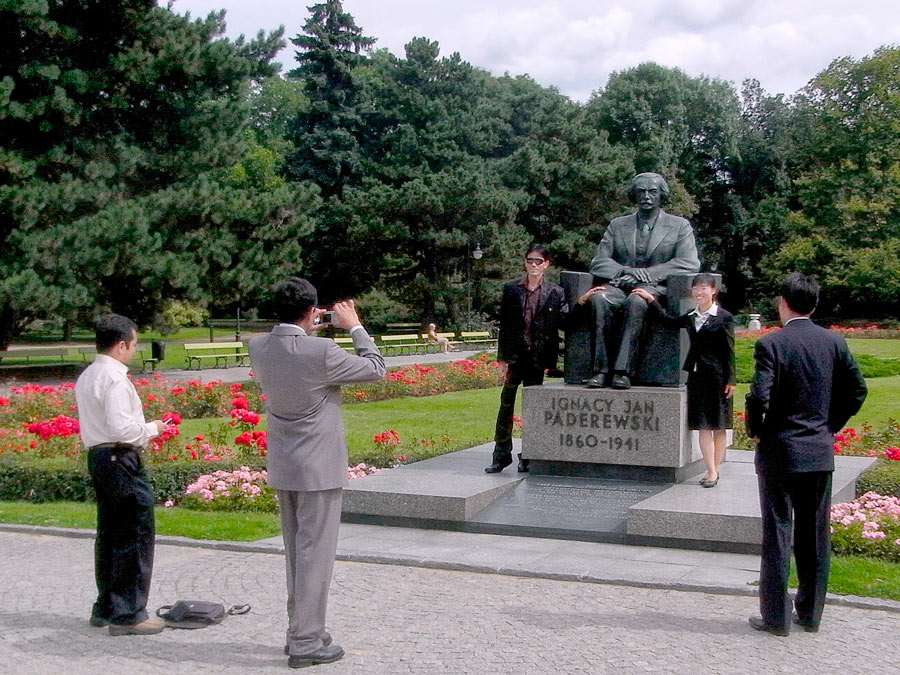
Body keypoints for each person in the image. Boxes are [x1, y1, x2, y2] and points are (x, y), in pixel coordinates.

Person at [248, 277, 385, 668]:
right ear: (312, 312)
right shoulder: (321, 350)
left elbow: (292, 349)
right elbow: (375, 369)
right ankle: (307, 641)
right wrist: (355, 326)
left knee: (296, 554)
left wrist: (309, 328)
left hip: (285, 464)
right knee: (316, 558)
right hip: (319, 468)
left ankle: (299, 630)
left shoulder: (258, 346)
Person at [745, 273, 867, 636]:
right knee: (815, 534)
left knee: (778, 531)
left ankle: (776, 616)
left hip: (780, 450)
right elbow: (857, 389)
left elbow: (758, 396)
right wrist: (830, 424)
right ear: (813, 305)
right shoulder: (833, 341)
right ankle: (811, 613)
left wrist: (756, 429)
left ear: (783, 302)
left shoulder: (772, 344)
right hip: (817, 449)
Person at [74, 314, 168, 636]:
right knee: (135, 532)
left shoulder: (88, 376)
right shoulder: (114, 378)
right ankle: (128, 613)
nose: (134, 349)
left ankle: (106, 605)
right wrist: (153, 428)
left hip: (99, 457)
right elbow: (122, 429)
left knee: (111, 533)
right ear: (122, 344)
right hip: (120, 456)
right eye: (134, 343)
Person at [577, 172, 700, 389]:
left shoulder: (679, 225)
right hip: (620, 285)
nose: (646, 196)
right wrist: (626, 271)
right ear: (634, 194)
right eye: (641, 191)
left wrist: (651, 274)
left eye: (652, 192)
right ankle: (601, 370)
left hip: (656, 289)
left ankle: (623, 371)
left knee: (637, 301)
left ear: (661, 195)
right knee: (599, 299)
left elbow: (689, 263)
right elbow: (599, 262)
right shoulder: (617, 225)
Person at [633, 274, 736, 487]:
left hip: (718, 378)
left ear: (713, 291)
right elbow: (668, 322)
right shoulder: (691, 315)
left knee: (719, 426)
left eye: (704, 288)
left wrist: (731, 380)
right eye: (696, 288)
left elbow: (729, 350)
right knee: (703, 426)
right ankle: (712, 471)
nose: (699, 292)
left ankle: (714, 471)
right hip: (697, 377)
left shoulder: (723, 317)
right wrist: (651, 300)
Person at [486, 244, 568, 474]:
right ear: (525, 263)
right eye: (530, 260)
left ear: (546, 265)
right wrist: (502, 359)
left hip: (537, 358)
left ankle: (529, 455)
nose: (533, 265)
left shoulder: (554, 292)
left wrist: (581, 302)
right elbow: (506, 325)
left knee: (533, 408)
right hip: (515, 356)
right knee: (506, 405)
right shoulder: (512, 289)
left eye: (538, 261)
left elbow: (565, 320)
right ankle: (501, 454)